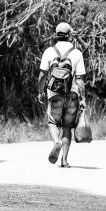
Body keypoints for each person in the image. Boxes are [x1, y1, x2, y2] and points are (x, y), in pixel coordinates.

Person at [37, 22, 86, 167]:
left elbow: (42, 75)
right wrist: (83, 99)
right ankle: (64, 161)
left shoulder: (49, 51)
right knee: (67, 127)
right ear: (70, 35)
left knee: (53, 122)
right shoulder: (76, 53)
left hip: (54, 94)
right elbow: (80, 79)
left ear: (56, 35)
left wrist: (40, 91)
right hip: (72, 95)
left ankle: (56, 142)